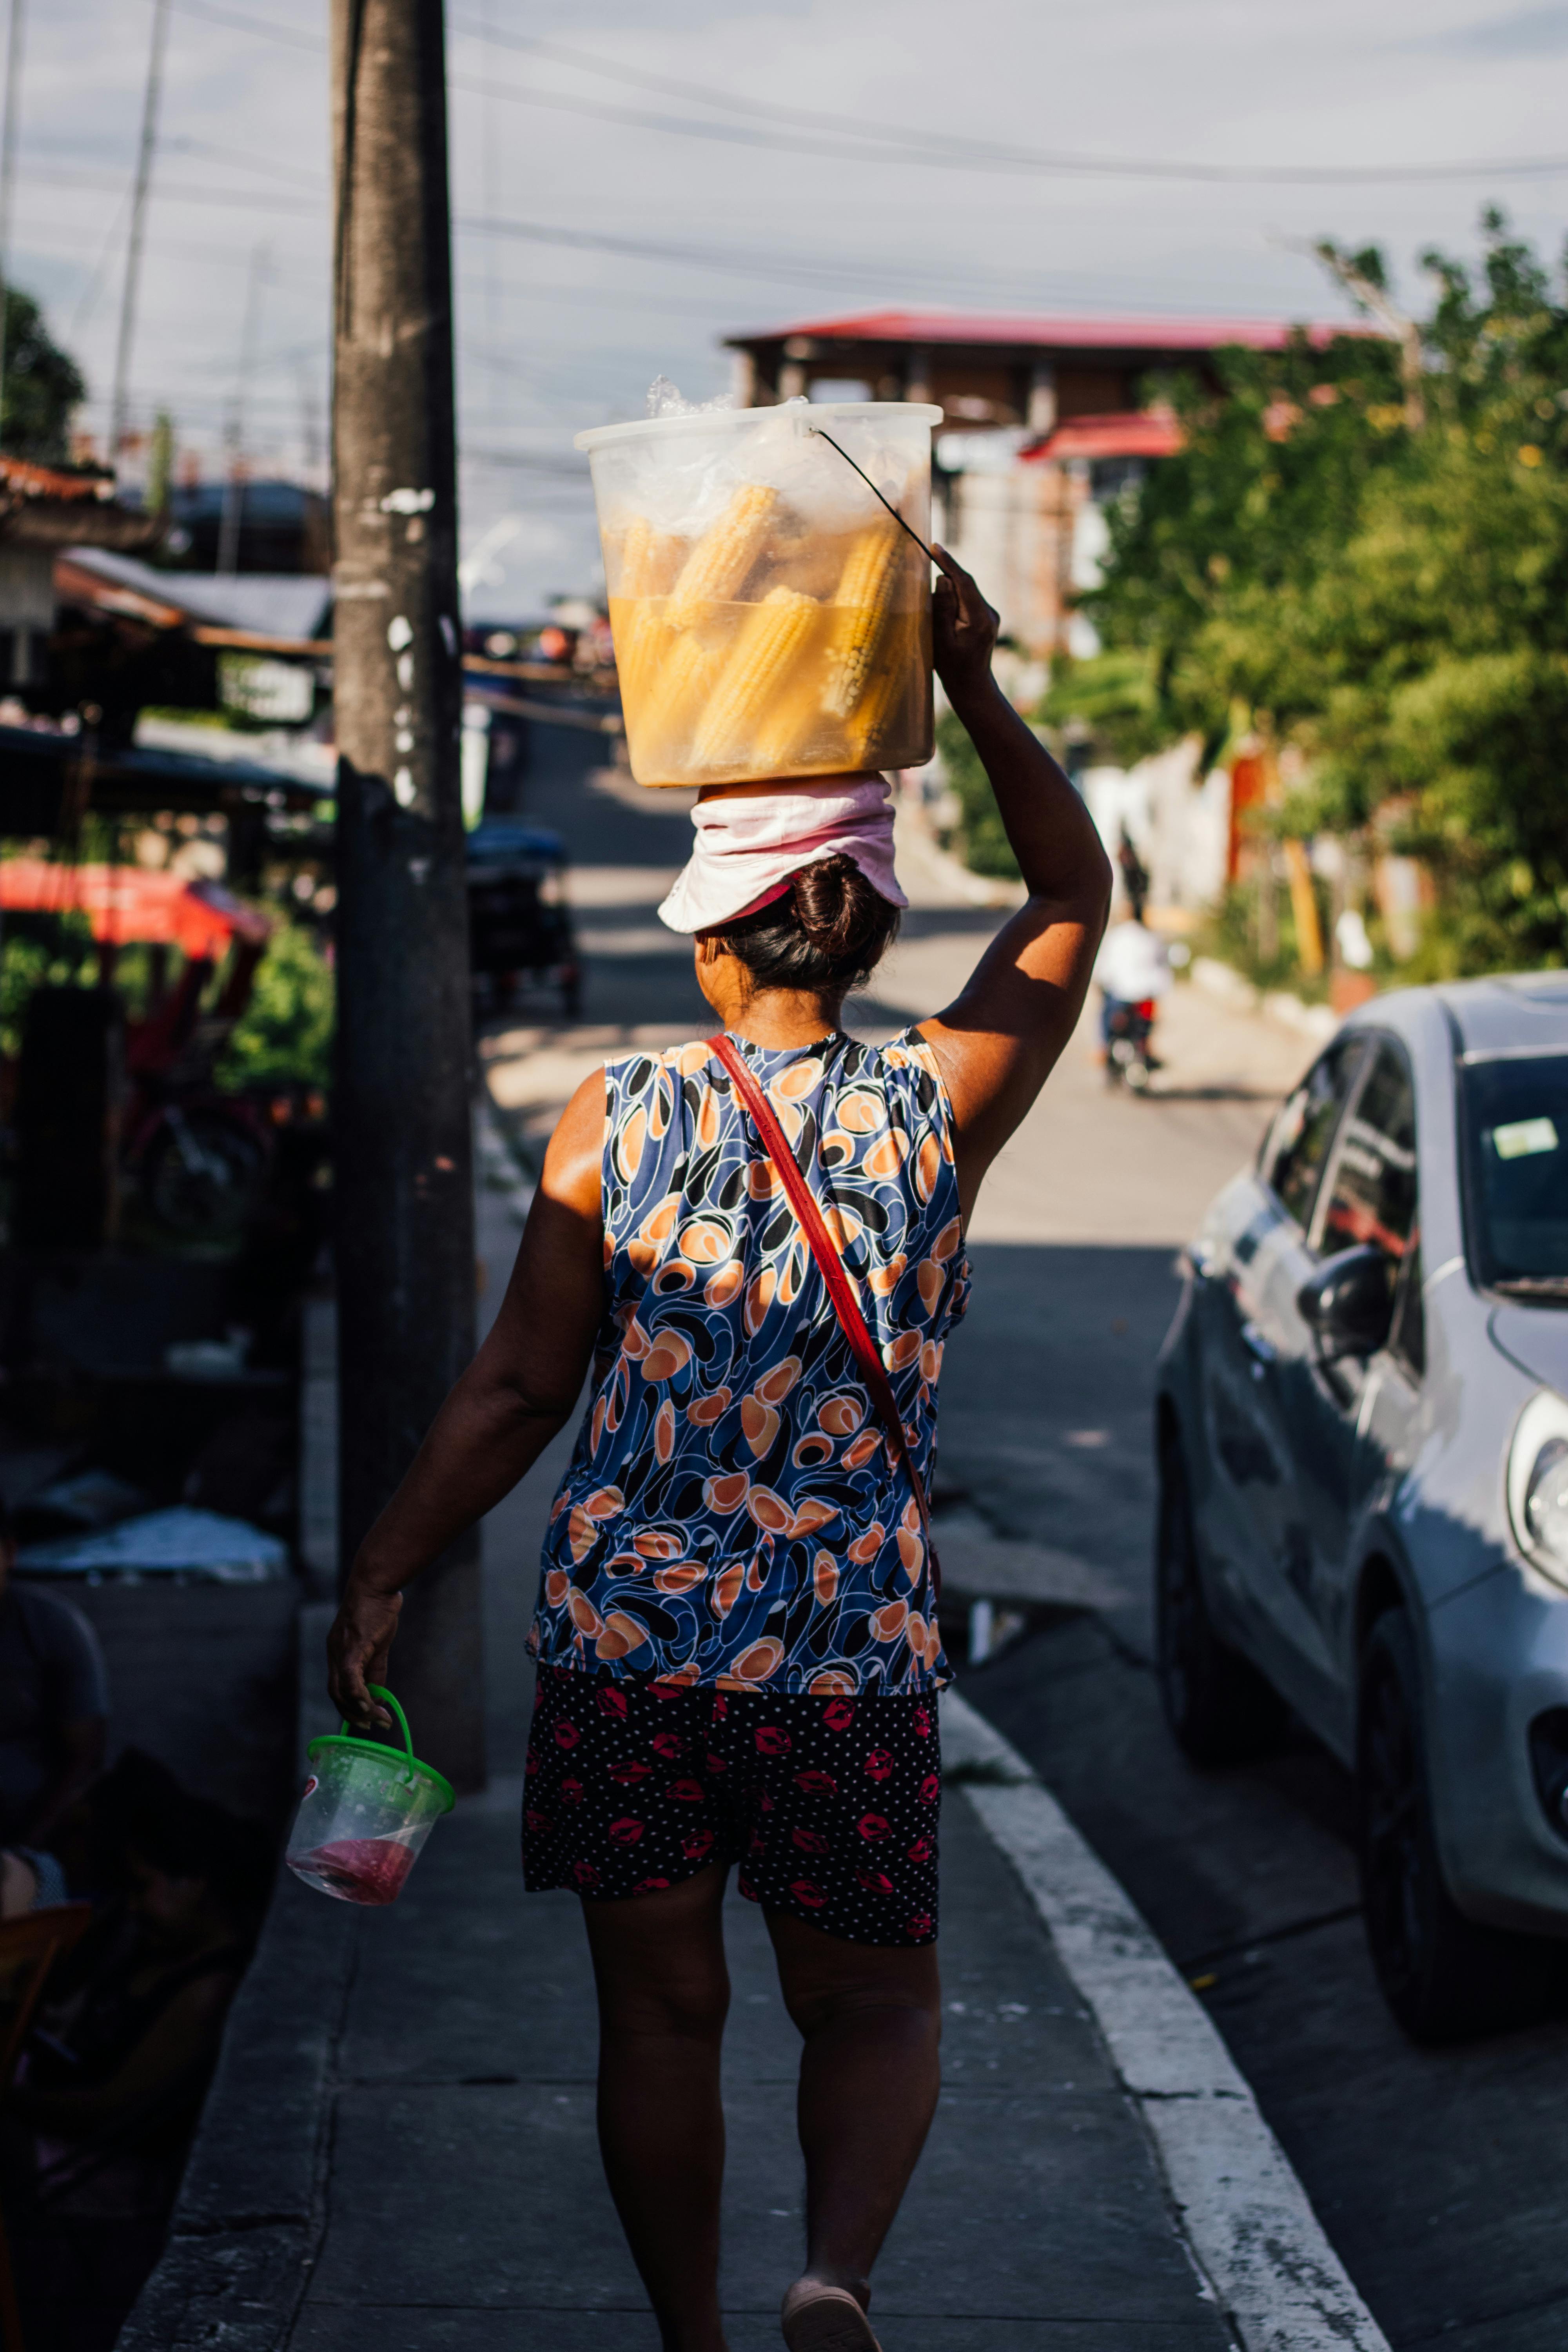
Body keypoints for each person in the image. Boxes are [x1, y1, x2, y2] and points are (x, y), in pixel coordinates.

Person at [326, 549, 1111, 2352]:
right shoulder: (935, 1104)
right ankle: (828, 2272)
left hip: (626, 1651)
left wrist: (386, 1563)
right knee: (872, 2004)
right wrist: (973, 685)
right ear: (861, 927)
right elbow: (1071, 883)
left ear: (708, 932)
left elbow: (518, 1388)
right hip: (841, 1652)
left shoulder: (613, 1117)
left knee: (660, 2017)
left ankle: (690, 2338)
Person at [0, 1500, 109, 1854]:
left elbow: (86, 1755)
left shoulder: (52, 1627)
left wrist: (31, 1846)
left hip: (34, 1831)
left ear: (10, 1552)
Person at [1092, 904, 1172, 1071]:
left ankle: (1103, 1049)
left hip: (1120, 994)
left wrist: (1100, 984)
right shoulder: (1152, 938)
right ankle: (1148, 1048)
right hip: (1145, 994)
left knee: (1105, 1013)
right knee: (1149, 1022)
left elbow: (1103, 968)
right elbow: (1163, 969)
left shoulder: (1115, 937)